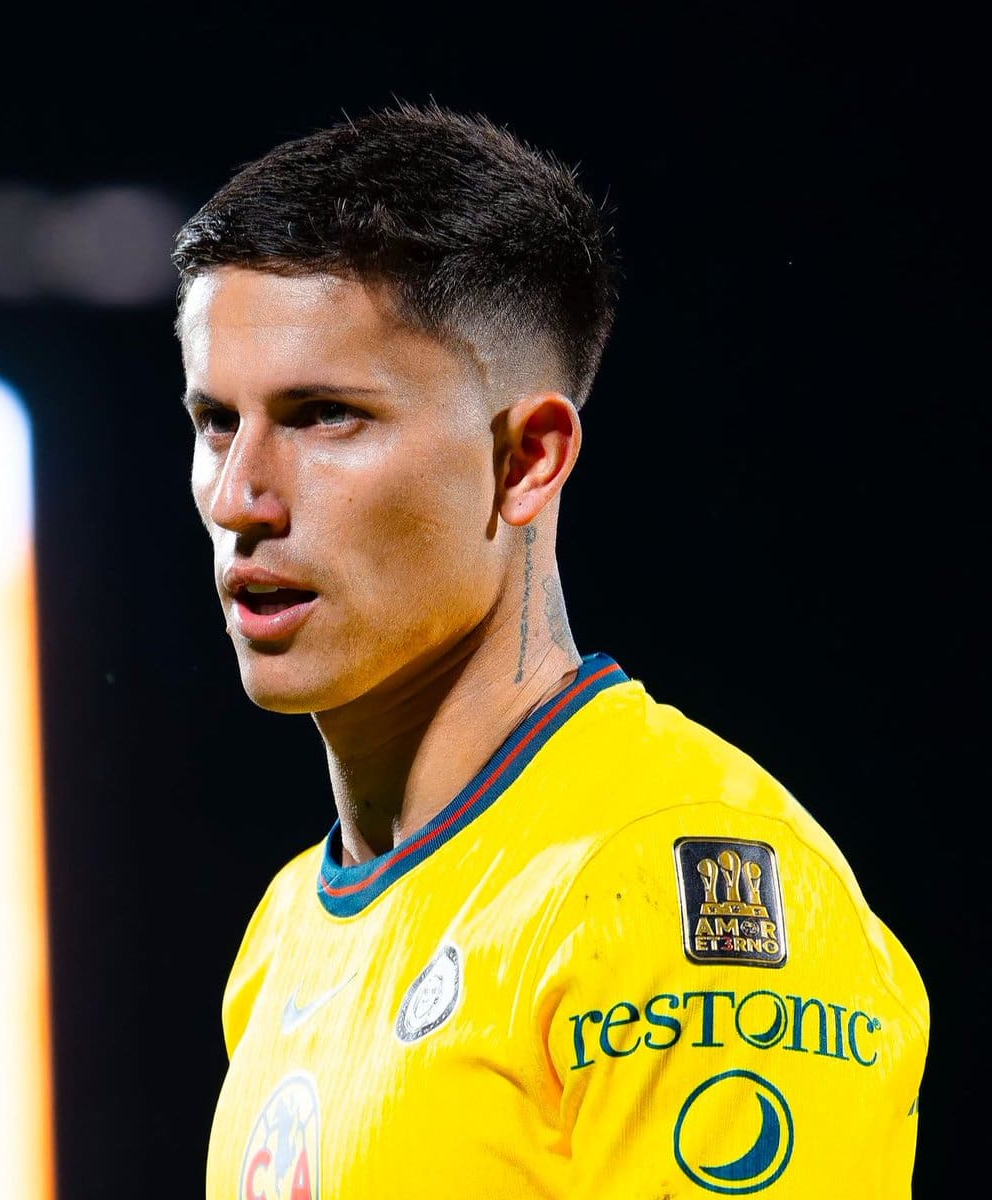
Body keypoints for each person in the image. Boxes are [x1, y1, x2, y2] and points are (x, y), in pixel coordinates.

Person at [171, 102, 929, 1199]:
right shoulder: (285, 934)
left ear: (527, 458)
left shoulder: (674, 891)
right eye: (214, 421)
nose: (240, 496)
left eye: (324, 415)